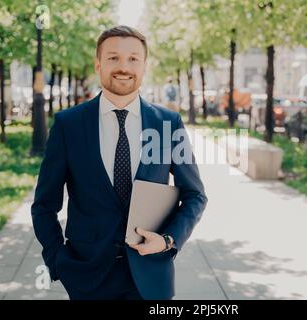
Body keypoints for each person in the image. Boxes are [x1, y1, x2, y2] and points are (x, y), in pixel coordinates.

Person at [31, 25, 207, 300]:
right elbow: (44, 205)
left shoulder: (168, 124)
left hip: (150, 277)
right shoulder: (69, 125)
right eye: (113, 58)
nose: (123, 67)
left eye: (133, 59)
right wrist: (57, 260)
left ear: (144, 66)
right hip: (87, 277)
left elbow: (195, 195)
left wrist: (168, 240)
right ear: (98, 64)